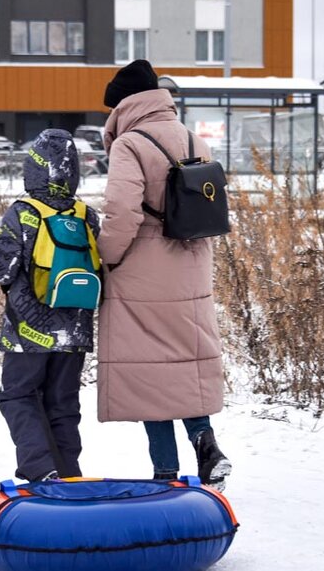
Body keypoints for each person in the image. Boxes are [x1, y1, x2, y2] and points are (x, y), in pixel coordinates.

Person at [95, 60, 232, 490]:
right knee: (182, 362)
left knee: (148, 370)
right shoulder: (193, 138)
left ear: (123, 105)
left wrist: (105, 259)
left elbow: (122, 214)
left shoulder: (130, 144)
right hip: (192, 265)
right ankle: (205, 443)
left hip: (143, 270)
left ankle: (165, 475)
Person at [0, 128, 100, 482]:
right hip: (75, 332)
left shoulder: (23, 213)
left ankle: (40, 471)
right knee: (62, 406)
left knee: (17, 396)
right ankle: (69, 477)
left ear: (33, 167)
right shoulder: (87, 215)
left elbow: (0, 268)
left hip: (28, 331)